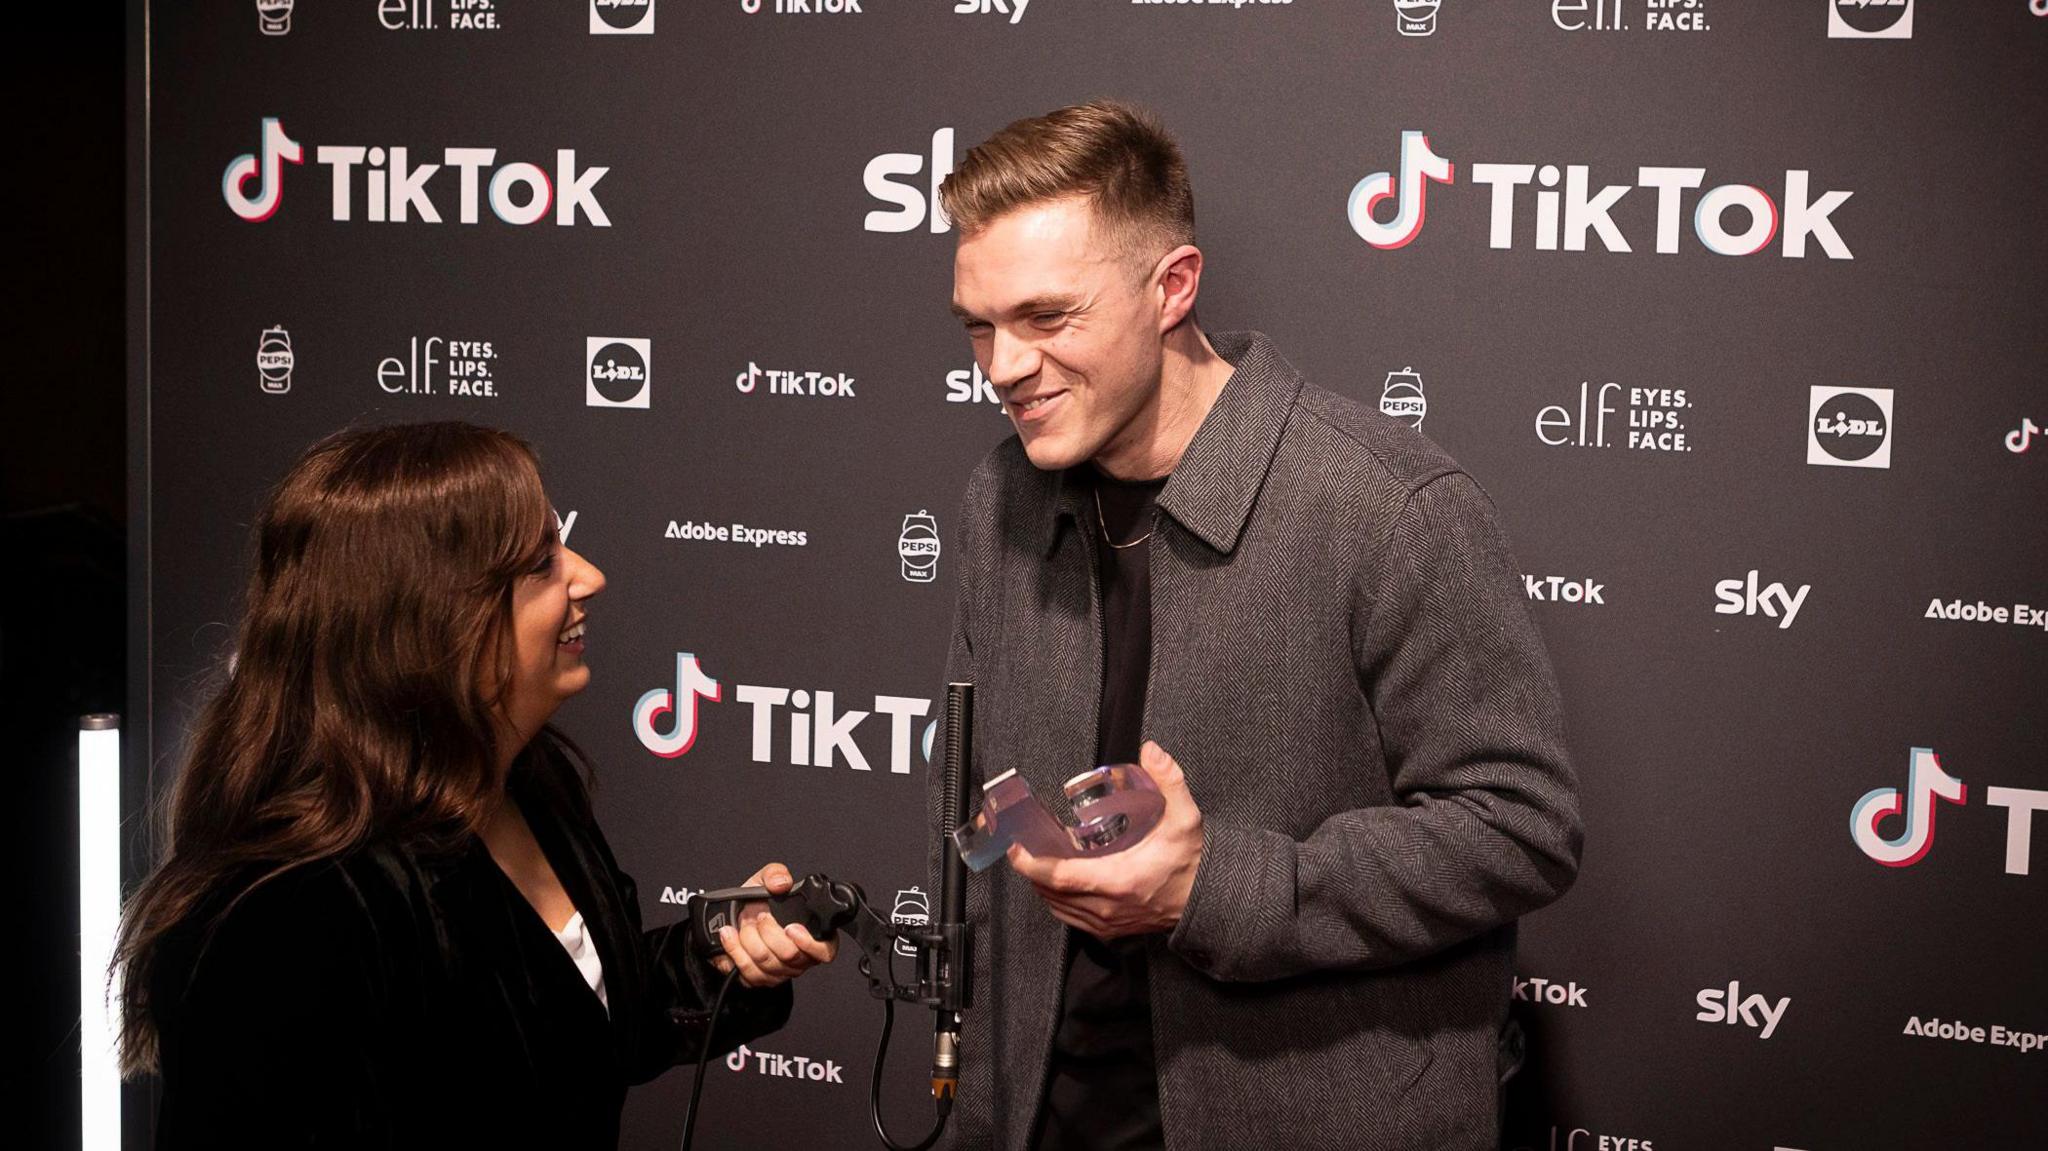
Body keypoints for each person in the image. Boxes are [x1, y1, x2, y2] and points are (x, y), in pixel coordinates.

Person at [928, 101, 1583, 1151]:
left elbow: (1518, 825)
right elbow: (973, 786)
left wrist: (1212, 886)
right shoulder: (998, 496)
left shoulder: (1383, 504)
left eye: (1046, 317)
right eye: (976, 324)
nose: (1001, 365)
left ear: (1171, 288)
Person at [114, 422, 835, 1149]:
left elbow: (566, 1022)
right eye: (541, 563)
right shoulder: (286, 916)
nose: (589, 575)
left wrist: (723, 959)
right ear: (431, 620)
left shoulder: (532, 778)